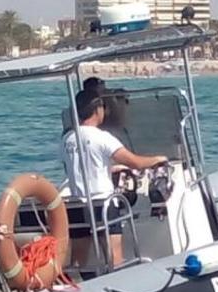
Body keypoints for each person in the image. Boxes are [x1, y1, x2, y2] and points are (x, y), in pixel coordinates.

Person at [61, 90, 167, 269]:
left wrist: (111, 169)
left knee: (79, 262)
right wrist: (157, 159)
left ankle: (81, 287)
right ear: (97, 110)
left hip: (76, 205)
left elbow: (79, 167)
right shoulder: (101, 137)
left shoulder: (67, 139)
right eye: (102, 107)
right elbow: (135, 162)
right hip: (103, 204)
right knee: (114, 260)